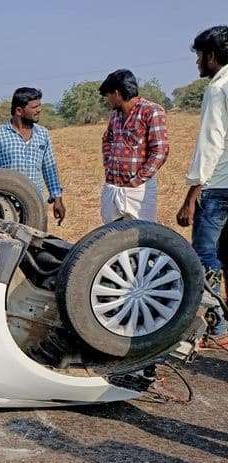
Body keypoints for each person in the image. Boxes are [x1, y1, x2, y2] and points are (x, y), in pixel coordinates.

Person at [176, 25, 228, 350]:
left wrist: (191, 195)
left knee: (205, 257)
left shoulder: (218, 87)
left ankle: (214, 327)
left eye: (199, 55)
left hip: (219, 188)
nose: (197, 62)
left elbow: (210, 143)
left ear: (211, 55)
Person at [0, 87, 66, 226]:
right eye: (34, 107)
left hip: (36, 207)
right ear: (19, 111)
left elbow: (49, 169)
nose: (39, 110)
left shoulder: (43, 134)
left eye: (39, 106)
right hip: (7, 208)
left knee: (36, 244)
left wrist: (57, 199)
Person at [99, 69, 170, 223]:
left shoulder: (151, 111)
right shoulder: (115, 115)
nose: (107, 100)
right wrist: (108, 164)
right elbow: (107, 139)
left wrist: (137, 179)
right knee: (110, 239)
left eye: (108, 96)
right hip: (113, 187)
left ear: (117, 93)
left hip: (138, 190)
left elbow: (160, 151)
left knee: (142, 238)